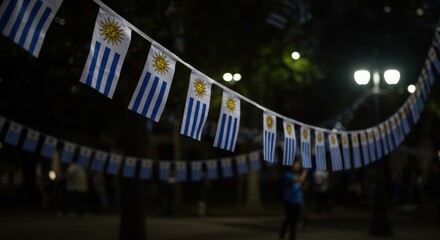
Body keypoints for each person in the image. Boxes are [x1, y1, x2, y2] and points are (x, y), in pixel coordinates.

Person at [279, 160, 308, 240]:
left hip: (297, 200)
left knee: (295, 220)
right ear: (291, 166)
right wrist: (305, 172)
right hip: (289, 200)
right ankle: (282, 235)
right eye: (296, 164)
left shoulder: (297, 174)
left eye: (298, 165)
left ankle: (292, 237)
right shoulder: (287, 174)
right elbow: (297, 180)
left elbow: (301, 186)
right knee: (290, 219)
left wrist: (304, 186)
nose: (298, 166)